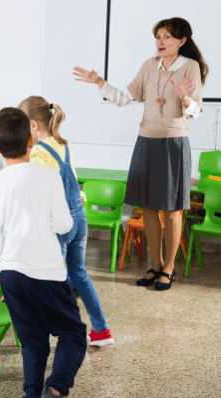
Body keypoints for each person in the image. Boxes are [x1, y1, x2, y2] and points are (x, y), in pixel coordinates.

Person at [74, 17, 207, 290]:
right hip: (145, 141)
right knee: (147, 206)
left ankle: (169, 267)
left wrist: (184, 99)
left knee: (171, 210)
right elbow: (125, 98)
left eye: (167, 37)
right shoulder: (149, 65)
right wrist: (99, 82)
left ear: (182, 41)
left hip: (173, 142)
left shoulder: (190, 67)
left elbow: (195, 110)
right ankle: (154, 264)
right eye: (158, 36)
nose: (160, 42)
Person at [0, 108, 86, 398]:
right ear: (31, 140)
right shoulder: (48, 176)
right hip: (47, 271)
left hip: (11, 272)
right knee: (73, 333)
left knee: (32, 340)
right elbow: (64, 224)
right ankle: (54, 388)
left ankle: (31, 394)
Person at [19, 96, 113, 347]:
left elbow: (44, 190)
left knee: (55, 277)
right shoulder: (64, 144)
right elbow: (71, 178)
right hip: (79, 215)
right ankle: (101, 331)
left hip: (60, 219)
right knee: (79, 275)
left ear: (34, 125)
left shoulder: (39, 151)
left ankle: (66, 330)